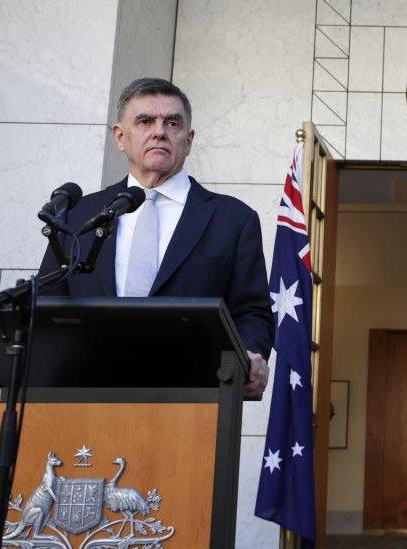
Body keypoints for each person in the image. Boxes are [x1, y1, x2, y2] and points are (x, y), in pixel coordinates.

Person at [38, 78, 272, 396]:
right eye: (145, 121)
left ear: (188, 140)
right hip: (84, 395)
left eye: (172, 123)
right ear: (120, 137)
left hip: (191, 399)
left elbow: (251, 312)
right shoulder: (80, 215)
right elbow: (48, 303)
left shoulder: (233, 219)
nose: (159, 131)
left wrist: (250, 356)